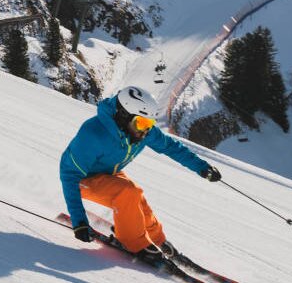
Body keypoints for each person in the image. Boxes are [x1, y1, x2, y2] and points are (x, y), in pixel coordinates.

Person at [60, 86, 222, 266]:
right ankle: (134, 244)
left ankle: (157, 240)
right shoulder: (94, 133)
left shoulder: (140, 131)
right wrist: (79, 221)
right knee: (128, 193)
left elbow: (170, 147)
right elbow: (69, 174)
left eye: (150, 124)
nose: (146, 131)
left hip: (107, 173)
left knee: (137, 197)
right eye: (141, 124)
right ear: (123, 115)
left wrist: (202, 167)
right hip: (82, 179)